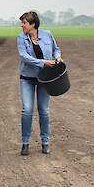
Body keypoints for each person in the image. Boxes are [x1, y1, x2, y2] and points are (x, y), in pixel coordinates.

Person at [17, 11, 62, 155]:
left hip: (45, 79)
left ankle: (45, 142)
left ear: (33, 24)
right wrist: (43, 62)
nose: (21, 25)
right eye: (22, 23)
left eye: (24, 23)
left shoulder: (48, 35)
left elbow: (56, 49)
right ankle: (25, 143)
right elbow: (24, 57)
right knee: (27, 110)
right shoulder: (21, 38)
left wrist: (58, 57)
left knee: (44, 111)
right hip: (27, 78)